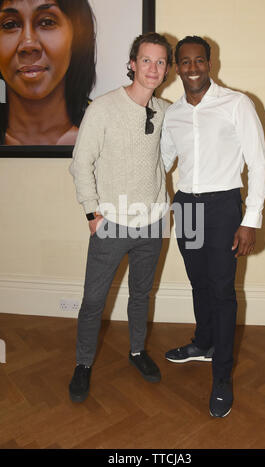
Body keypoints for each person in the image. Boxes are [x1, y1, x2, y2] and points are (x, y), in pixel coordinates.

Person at [161, 36, 265, 418]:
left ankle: (221, 375)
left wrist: (249, 219)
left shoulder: (236, 104)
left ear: (210, 63)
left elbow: (258, 164)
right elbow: (164, 160)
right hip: (187, 206)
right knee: (198, 283)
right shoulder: (172, 113)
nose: (192, 69)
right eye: (185, 62)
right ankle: (203, 343)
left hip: (224, 207)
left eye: (199, 61)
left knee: (222, 291)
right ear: (176, 67)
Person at [68, 32, 172, 403]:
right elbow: (81, 163)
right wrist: (92, 213)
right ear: (132, 64)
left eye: (160, 62)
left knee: (141, 294)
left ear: (166, 69)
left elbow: (166, 158)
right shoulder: (103, 107)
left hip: (154, 222)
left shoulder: (164, 111)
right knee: (94, 300)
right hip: (111, 223)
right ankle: (83, 365)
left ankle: (137, 352)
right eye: (146, 60)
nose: (153, 68)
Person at [0, 0, 96, 145]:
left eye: (47, 22)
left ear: (77, 35)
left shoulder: (110, 132)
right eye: (10, 25)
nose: (28, 44)